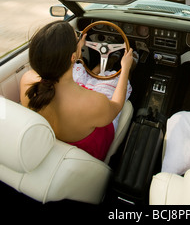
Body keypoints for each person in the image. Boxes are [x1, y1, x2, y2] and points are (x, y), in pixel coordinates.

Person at [20, 21, 134, 161]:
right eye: (78, 38)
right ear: (73, 57)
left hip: (57, 142)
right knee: (115, 80)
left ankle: (102, 66)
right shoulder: (94, 102)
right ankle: (114, 65)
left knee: (81, 72)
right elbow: (116, 105)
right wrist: (125, 68)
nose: (81, 40)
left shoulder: (27, 81)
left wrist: (76, 50)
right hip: (87, 154)